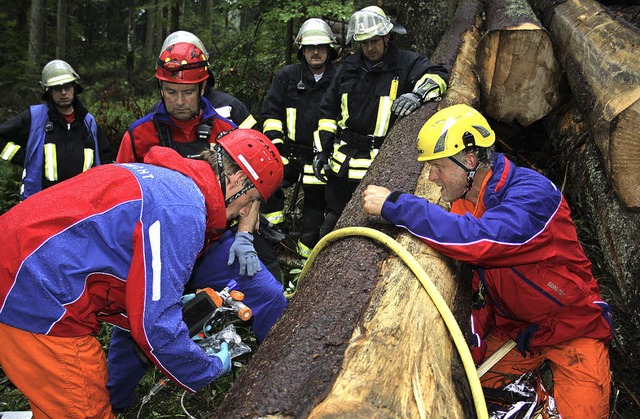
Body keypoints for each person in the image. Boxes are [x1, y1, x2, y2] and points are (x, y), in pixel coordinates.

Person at [0, 130, 284, 418]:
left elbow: (106, 261)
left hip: (22, 272)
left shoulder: (167, 181)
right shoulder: (183, 211)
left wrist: (171, 303)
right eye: (251, 199)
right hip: (34, 294)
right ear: (235, 179)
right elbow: (155, 327)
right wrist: (206, 367)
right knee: (84, 407)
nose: (247, 211)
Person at [361, 104, 614, 418]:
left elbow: (478, 241)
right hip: (517, 330)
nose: (431, 176)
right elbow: (476, 280)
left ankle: (546, 402)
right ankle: (534, 398)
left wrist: (398, 206)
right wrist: (475, 339)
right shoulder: (467, 201)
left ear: (469, 161)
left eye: (438, 166)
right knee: (472, 397)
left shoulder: (533, 196)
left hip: (572, 326)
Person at [119, 30, 283, 282]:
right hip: (160, 241)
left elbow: (252, 187)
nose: (180, 101)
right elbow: (122, 196)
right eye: (171, 92)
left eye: (188, 92)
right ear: (161, 88)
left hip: (218, 238)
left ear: (203, 87)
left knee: (266, 282)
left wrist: (244, 235)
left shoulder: (227, 131)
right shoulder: (140, 135)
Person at [313, 5, 449, 237]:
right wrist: (321, 150)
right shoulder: (348, 69)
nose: (369, 47)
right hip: (340, 168)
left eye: (374, 40)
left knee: (370, 230)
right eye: (364, 42)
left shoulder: (405, 64)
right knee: (332, 225)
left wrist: (416, 95)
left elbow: (439, 76)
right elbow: (327, 112)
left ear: (387, 36)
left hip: (378, 167)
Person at [262, 18, 338, 258]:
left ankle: (306, 259)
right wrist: (276, 147)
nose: (315, 52)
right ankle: (275, 238)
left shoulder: (340, 77)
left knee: (315, 208)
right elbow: (271, 113)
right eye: (309, 47)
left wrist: (328, 151)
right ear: (302, 50)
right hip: (289, 153)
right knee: (264, 181)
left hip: (322, 157)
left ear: (329, 49)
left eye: (321, 47)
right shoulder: (287, 77)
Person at [0, 59, 111, 200]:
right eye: (57, 88)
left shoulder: (89, 122)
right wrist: (22, 157)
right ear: (49, 91)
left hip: (82, 203)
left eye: (67, 86)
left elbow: (104, 160)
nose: (63, 92)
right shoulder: (35, 118)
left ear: (74, 87)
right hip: (41, 202)